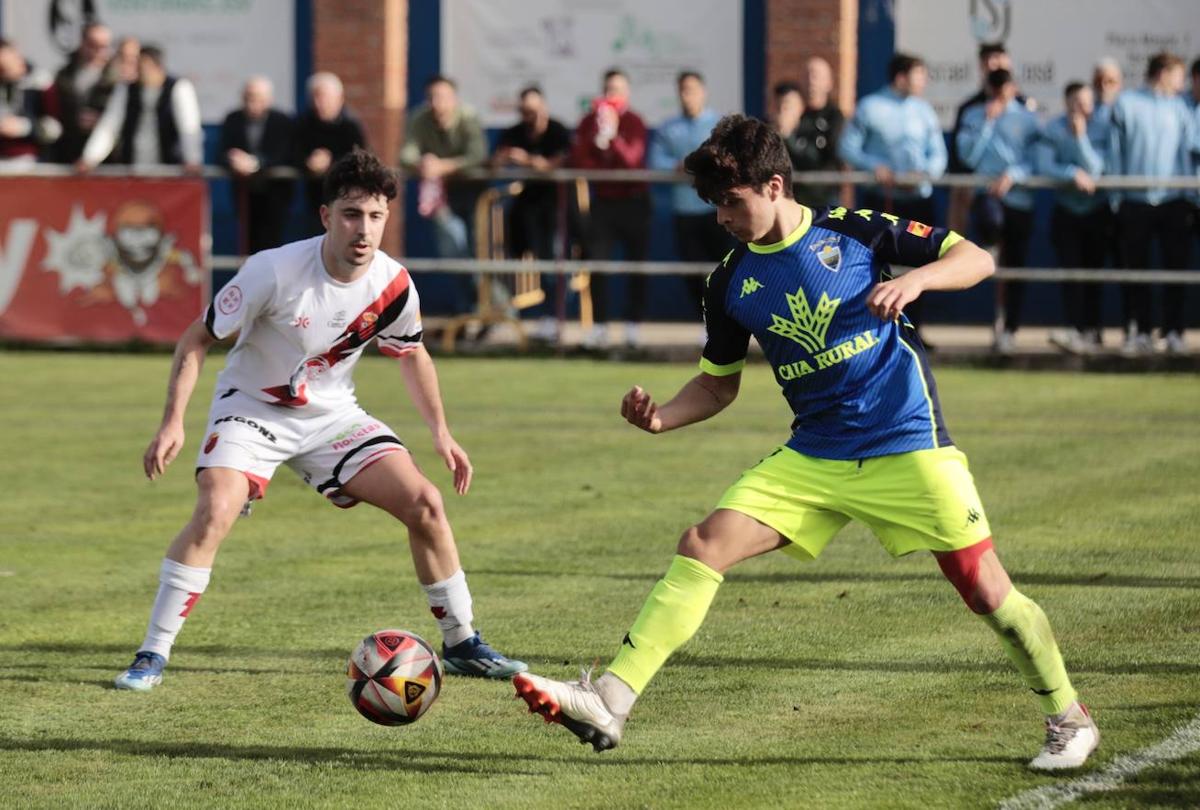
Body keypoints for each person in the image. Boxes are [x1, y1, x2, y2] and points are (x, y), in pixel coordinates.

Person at [511, 114, 1099, 773]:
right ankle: (610, 700)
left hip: (906, 441)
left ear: (774, 185)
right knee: (704, 543)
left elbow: (976, 258)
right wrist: (661, 419)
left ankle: (1068, 718)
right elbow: (717, 386)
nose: (723, 218)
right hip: (815, 455)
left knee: (984, 590)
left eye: (732, 202)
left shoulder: (855, 230)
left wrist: (915, 280)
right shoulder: (730, 282)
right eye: (715, 205)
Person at [113, 149, 526, 692]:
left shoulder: (394, 283)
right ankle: (152, 654)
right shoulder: (273, 269)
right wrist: (173, 421)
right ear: (326, 216)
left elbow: (413, 354)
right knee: (216, 508)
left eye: (376, 217)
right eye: (352, 214)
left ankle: (463, 643)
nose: (364, 229)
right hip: (251, 409)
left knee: (425, 503)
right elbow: (197, 337)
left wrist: (441, 433)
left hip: (330, 417)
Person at [838, 53, 946, 343]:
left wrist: (923, 174)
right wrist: (876, 167)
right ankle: (879, 331)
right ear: (901, 77)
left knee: (921, 264)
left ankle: (915, 330)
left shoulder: (924, 111)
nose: (923, 81)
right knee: (879, 265)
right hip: (882, 201)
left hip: (919, 201)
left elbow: (938, 156)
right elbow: (847, 148)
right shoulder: (870, 107)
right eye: (918, 74)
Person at [1108, 52, 1196, 356]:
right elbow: (1115, 154)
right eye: (1178, 75)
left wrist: (1190, 197)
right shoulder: (1127, 104)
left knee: (1175, 270)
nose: (1182, 82)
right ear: (1163, 73)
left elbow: (1190, 150)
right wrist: (1116, 198)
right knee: (1136, 272)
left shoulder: (1184, 107)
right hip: (1135, 202)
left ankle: (1173, 332)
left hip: (1175, 202)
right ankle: (1140, 332)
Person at [956, 68, 1043, 354]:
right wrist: (987, 124)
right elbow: (967, 155)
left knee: (1016, 268)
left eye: (1005, 87)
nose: (1001, 94)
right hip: (987, 197)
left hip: (1020, 201)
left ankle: (1010, 329)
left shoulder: (1028, 119)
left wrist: (1013, 175)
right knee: (989, 223)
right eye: (996, 88)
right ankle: (991, 245)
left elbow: (1037, 160)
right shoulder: (973, 115)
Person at [572, 68, 651, 348]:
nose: (612, 95)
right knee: (598, 264)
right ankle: (600, 326)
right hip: (603, 203)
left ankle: (633, 326)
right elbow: (580, 162)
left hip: (634, 202)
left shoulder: (634, 121)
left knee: (636, 266)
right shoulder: (588, 121)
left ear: (627, 93)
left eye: (618, 90)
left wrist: (614, 136)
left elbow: (633, 161)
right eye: (608, 89)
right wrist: (598, 140)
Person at [399, 74, 488, 315]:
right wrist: (423, 163)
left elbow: (477, 156)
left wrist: (442, 166)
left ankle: (491, 311)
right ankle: (467, 312)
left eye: (442, 97)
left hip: (475, 197)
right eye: (432, 97)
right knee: (454, 252)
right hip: (441, 199)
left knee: (479, 254)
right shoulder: (419, 119)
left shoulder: (468, 118)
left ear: (454, 99)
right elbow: (405, 154)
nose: (437, 103)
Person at [648, 70, 729, 323]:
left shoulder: (719, 126)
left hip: (717, 211)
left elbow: (729, 159)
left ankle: (729, 321)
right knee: (692, 271)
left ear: (703, 92)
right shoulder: (669, 129)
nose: (687, 96)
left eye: (692, 90)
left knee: (724, 269)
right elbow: (655, 162)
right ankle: (704, 321)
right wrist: (679, 166)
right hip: (685, 212)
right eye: (683, 90)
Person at [492, 84, 572, 339]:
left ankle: (554, 319)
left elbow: (557, 163)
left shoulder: (558, 131)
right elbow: (492, 161)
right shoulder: (515, 132)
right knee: (511, 255)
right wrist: (504, 157)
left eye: (535, 111)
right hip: (526, 209)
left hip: (556, 207)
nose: (531, 117)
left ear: (545, 108)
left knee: (555, 262)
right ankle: (504, 314)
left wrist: (526, 160)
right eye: (526, 112)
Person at [1037, 81, 1109, 354]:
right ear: (1067, 103)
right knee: (1071, 272)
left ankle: (1093, 330)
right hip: (1066, 211)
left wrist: (1079, 139)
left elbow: (1097, 169)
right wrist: (1071, 174)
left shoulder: (1102, 128)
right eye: (1077, 102)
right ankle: (1075, 329)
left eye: (1088, 102)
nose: (1083, 108)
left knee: (1094, 273)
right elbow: (1045, 165)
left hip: (1096, 212)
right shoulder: (1053, 128)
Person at [76, 44, 202, 172]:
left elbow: (189, 127)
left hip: (170, 170)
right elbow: (110, 126)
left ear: (157, 67)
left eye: (144, 67)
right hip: (133, 169)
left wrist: (192, 159)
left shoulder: (179, 88)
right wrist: (90, 158)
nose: (139, 72)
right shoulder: (126, 89)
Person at [219, 76, 295, 254]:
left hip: (274, 197)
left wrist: (255, 163)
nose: (252, 104)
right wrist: (233, 159)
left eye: (258, 98)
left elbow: (285, 154)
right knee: (248, 248)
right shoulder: (233, 119)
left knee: (273, 248)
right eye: (248, 98)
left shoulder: (281, 121)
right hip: (244, 196)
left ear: (269, 99)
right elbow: (221, 153)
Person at [293, 72, 366, 235]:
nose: (320, 103)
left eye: (324, 97)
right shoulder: (303, 124)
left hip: (344, 198)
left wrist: (331, 163)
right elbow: (292, 153)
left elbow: (358, 158)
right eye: (315, 98)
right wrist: (309, 162)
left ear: (339, 98)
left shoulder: (350, 126)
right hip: (313, 199)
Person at [48, 21, 112, 163]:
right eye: (93, 45)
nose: (98, 51)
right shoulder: (64, 75)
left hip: (106, 157)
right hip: (68, 151)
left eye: (104, 46)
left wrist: (101, 121)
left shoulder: (118, 78)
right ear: (83, 43)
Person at [787, 57, 845, 207]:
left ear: (829, 82)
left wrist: (789, 136)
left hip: (824, 196)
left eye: (816, 76)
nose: (811, 81)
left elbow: (826, 155)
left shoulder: (835, 117)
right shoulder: (794, 116)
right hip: (795, 195)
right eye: (807, 75)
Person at [0, 38, 60, 165]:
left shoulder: (41, 84)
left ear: (18, 58)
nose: (4, 74)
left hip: (31, 163)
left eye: (5, 68)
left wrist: (25, 127)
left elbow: (56, 129)